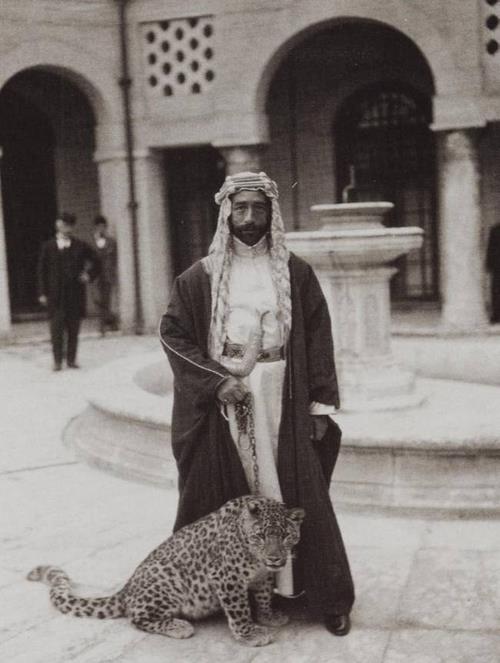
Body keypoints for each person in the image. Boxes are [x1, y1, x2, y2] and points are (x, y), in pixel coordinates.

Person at [159, 171, 354, 636]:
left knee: (299, 493)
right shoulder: (199, 276)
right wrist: (214, 383)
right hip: (227, 397)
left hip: (282, 392)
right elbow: (173, 334)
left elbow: (320, 338)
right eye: (241, 208)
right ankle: (227, 596)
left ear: (272, 213)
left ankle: (323, 595)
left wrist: (319, 408)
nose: (250, 218)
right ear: (226, 212)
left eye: (258, 208)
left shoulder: (295, 273)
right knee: (228, 497)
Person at [37, 212, 100, 371]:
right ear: (58, 225)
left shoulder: (80, 245)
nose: (66, 228)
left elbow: (97, 261)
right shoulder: (48, 246)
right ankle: (57, 361)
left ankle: (71, 360)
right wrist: (42, 293)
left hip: (75, 294)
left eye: (69, 225)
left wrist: (88, 275)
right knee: (56, 329)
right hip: (55, 295)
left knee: (73, 328)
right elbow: (41, 271)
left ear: (72, 227)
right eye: (63, 224)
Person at [92, 215, 118, 335]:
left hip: (107, 274)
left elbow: (114, 258)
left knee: (106, 300)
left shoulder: (111, 241)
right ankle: (108, 322)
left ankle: (105, 326)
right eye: (99, 227)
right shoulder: (92, 242)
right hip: (96, 275)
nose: (101, 229)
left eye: (103, 227)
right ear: (95, 228)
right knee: (97, 300)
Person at [486, 222, 500, 324]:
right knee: (496, 291)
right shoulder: (495, 230)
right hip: (497, 267)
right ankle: (496, 314)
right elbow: (490, 248)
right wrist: (489, 264)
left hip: (496, 266)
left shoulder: (495, 229)